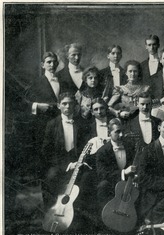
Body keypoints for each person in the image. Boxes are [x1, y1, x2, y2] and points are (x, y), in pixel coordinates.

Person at [41, 93, 89, 221]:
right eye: (64, 104)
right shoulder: (52, 124)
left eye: (71, 104)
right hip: (58, 164)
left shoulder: (82, 124)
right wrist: (66, 165)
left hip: (78, 163)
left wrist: (79, 163)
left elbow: (87, 146)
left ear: (75, 106)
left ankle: (77, 219)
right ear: (58, 106)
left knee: (86, 178)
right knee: (51, 176)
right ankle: (52, 216)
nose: (68, 106)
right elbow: (47, 151)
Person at [25, 52, 71, 152]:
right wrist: (38, 106)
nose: (52, 65)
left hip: (61, 124)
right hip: (43, 126)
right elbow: (27, 103)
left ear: (58, 64)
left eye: (54, 62)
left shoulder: (64, 82)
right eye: (49, 62)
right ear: (42, 65)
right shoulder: (36, 83)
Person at [96, 118, 138, 210]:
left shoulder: (130, 146)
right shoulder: (102, 151)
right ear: (109, 133)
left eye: (123, 131)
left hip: (129, 182)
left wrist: (134, 176)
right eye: (117, 132)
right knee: (103, 186)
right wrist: (123, 172)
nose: (121, 135)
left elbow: (136, 165)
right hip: (111, 184)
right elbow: (103, 174)